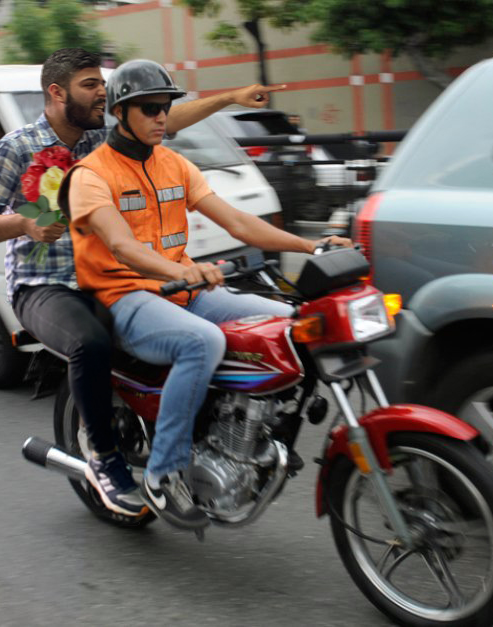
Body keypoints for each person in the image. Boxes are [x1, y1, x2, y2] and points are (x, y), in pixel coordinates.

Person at [0, 48, 286, 518]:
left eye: (102, 84)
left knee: (217, 323)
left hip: (117, 278)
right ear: (56, 92)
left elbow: (165, 117)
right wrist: (25, 224)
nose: (101, 92)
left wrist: (230, 97)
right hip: (46, 284)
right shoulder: (19, 146)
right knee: (90, 342)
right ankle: (107, 460)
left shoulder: (104, 141)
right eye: (90, 84)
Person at [64, 59, 352, 530]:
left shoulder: (175, 163)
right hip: (126, 297)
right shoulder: (90, 175)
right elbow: (121, 246)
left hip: (184, 290)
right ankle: (162, 470)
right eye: (150, 108)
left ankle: (250, 435)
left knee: (291, 321)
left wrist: (312, 244)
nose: (162, 117)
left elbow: (239, 222)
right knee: (203, 342)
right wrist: (190, 270)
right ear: (121, 112)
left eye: (167, 107)